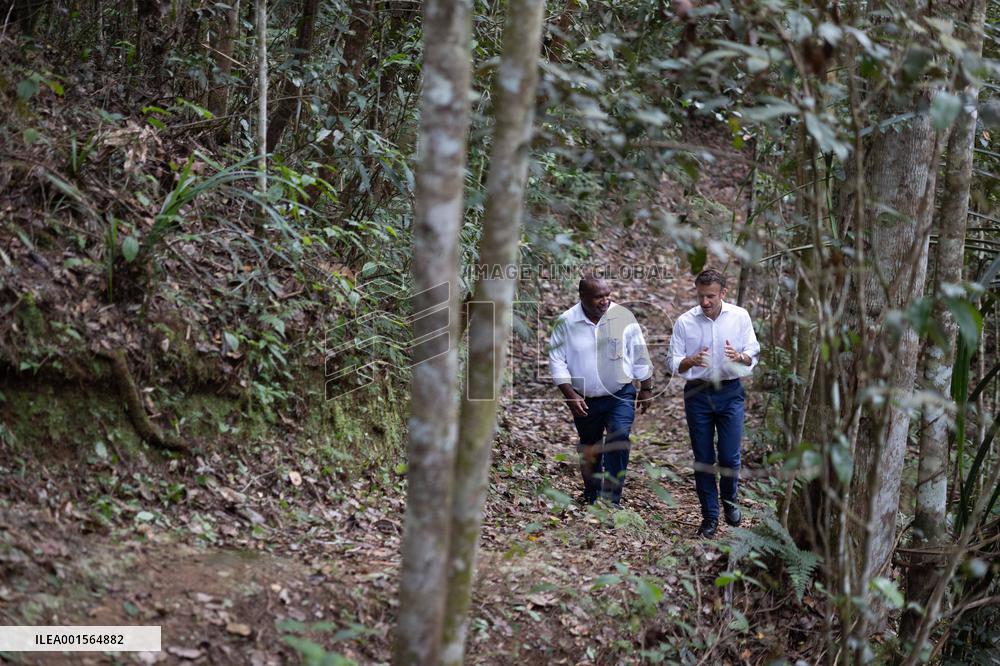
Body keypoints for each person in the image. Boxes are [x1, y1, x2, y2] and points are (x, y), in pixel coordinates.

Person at [668, 269, 760, 538]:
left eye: (710, 296)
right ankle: (709, 516)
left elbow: (753, 352)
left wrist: (740, 356)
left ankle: (730, 501)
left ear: (723, 293)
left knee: (730, 456)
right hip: (698, 394)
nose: (705, 301)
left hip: (730, 391)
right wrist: (691, 361)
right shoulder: (685, 322)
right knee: (704, 458)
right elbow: (673, 362)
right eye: (700, 296)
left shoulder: (740, 316)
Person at [548, 276, 653, 506]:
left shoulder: (623, 316)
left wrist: (646, 387)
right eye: (598, 297)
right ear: (582, 296)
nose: (605, 301)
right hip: (584, 398)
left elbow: (639, 353)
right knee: (590, 446)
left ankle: (611, 499)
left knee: (618, 436)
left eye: (608, 295)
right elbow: (556, 360)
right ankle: (592, 493)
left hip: (620, 393)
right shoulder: (565, 322)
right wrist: (569, 394)